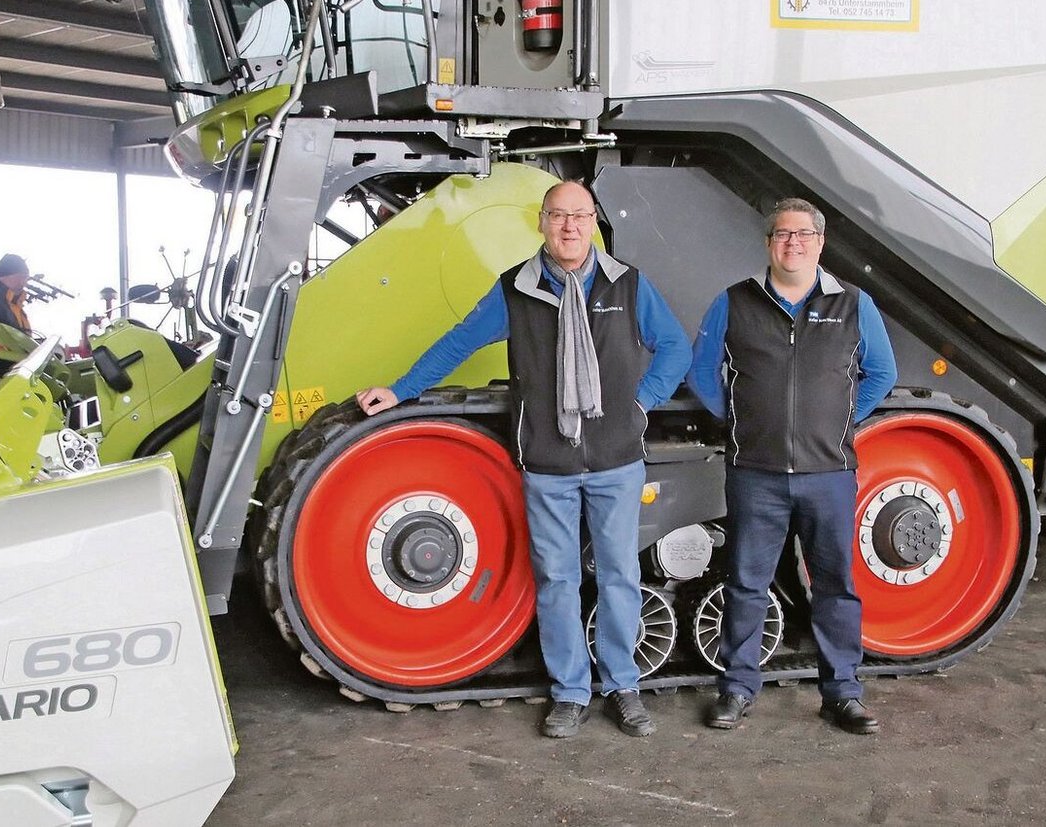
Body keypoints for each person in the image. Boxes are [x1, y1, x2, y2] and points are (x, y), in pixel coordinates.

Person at [356, 181, 691, 739]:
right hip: (548, 462)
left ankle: (624, 688)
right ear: (541, 223)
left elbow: (675, 346)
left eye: (580, 216)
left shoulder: (628, 285)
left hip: (616, 460)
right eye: (558, 216)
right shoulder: (517, 289)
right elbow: (459, 342)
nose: (569, 227)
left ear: (594, 224)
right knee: (557, 580)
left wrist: (641, 403)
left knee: (619, 576)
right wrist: (402, 388)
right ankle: (570, 694)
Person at [687, 197, 897, 735]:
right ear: (768, 243)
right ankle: (736, 689)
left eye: (803, 234)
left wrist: (840, 422)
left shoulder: (854, 304)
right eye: (782, 234)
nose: (793, 243)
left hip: (828, 474)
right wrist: (741, 420)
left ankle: (842, 694)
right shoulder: (733, 303)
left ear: (820, 242)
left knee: (835, 586)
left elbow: (880, 373)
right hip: (755, 472)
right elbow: (703, 374)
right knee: (746, 584)